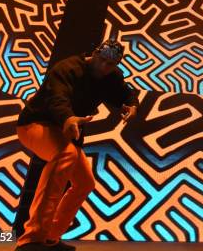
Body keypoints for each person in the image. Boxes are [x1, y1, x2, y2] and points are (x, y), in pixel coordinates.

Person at [14, 40, 139, 251]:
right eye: (101, 60)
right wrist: (68, 119)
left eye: (110, 64)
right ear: (94, 54)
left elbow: (126, 93)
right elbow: (57, 99)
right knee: (66, 155)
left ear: (116, 64)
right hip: (35, 124)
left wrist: (132, 104)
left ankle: (50, 237)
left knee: (85, 182)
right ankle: (32, 239)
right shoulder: (67, 68)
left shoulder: (111, 77)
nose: (103, 67)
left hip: (66, 133)